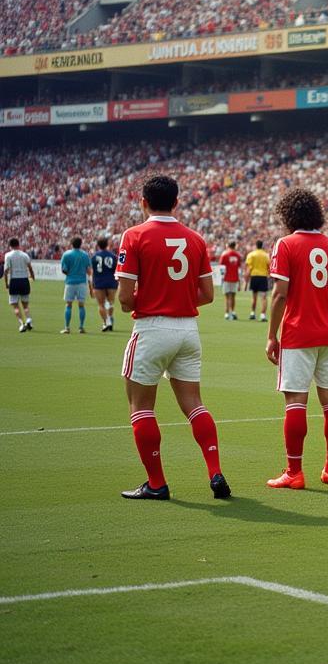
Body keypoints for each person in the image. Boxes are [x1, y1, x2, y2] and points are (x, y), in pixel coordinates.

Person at [114, 174, 230, 500]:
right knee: (194, 404)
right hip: (188, 332)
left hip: (152, 329)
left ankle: (156, 483)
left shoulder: (134, 235)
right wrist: (176, 298)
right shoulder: (195, 239)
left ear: (143, 202)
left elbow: (124, 300)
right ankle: (215, 471)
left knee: (141, 407)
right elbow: (207, 293)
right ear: (177, 202)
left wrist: (152, 299)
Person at [264, 189, 328, 489]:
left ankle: (294, 472)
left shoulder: (285, 245)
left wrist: (271, 336)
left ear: (288, 216)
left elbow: (280, 294)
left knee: (296, 402)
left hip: (298, 333)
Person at [60, 236, 92, 334]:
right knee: (81, 305)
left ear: (71, 244)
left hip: (70, 282)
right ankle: (81, 327)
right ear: (81, 244)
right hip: (82, 282)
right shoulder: (85, 255)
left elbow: (64, 270)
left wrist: (70, 274)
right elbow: (88, 270)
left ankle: (67, 327)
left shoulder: (66, 254)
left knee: (68, 305)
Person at [4, 237, 34, 332]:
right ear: (18, 244)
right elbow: (30, 267)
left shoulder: (8, 255)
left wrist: (6, 284)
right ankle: (28, 319)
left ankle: (22, 323)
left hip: (14, 281)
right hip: (24, 280)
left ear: (10, 245)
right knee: (25, 305)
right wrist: (32, 277)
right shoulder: (24, 255)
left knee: (15, 305)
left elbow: (6, 271)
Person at [91, 237, 118, 332]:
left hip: (99, 282)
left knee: (101, 305)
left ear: (98, 245)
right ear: (107, 244)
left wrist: (92, 284)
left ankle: (106, 322)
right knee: (110, 303)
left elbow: (93, 271)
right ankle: (110, 319)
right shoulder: (113, 256)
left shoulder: (94, 256)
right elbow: (117, 269)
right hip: (111, 281)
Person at [245, 239, 271, 321]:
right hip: (263, 277)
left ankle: (252, 313)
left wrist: (246, 279)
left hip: (254, 276)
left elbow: (249, 268)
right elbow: (269, 267)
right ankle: (263, 315)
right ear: (262, 245)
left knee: (254, 297)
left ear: (256, 245)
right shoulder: (266, 255)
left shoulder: (251, 255)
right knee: (263, 297)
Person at [219, 240, 242, 320]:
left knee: (227, 296)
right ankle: (232, 312)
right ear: (235, 245)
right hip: (235, 278)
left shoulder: (224, 254)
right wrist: (239, 280)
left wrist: (221, 278)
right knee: (233, 296)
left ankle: (227, 313)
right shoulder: (238, 255)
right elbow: (239, 269)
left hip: (226, 278)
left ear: (228, 245)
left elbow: (221, 268)